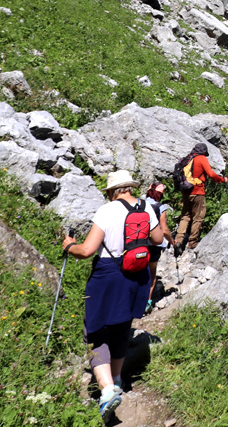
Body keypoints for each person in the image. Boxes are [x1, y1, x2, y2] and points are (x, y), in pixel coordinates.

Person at [62, 170, 168, 422]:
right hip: (137, 273)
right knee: (122, 326)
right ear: (129, 187)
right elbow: (158, 238)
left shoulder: (106, 210)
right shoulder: (146, 207)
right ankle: (118, 379)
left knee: (97, 330)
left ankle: (107, 390)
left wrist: (68, 246)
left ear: (112, 190)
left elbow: (87, 250)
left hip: (109, 274)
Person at [172, 143, 227, 254]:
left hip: (186, 191)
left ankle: (178, 240)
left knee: (185, 216)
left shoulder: (188, 159)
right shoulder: (201, 158)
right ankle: (193, 242)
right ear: (204, 152)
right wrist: (222, 180)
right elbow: (211, 174)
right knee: (198, 216)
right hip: (198, 191)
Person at [141, 181, 174, 312]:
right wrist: (172, 242)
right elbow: (164, 230)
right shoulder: (160, 207)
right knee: (151, 272)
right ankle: (147, 303)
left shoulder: (139, 203)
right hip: (154, 244)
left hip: (139, 242)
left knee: (137, 269)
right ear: (160, 194)